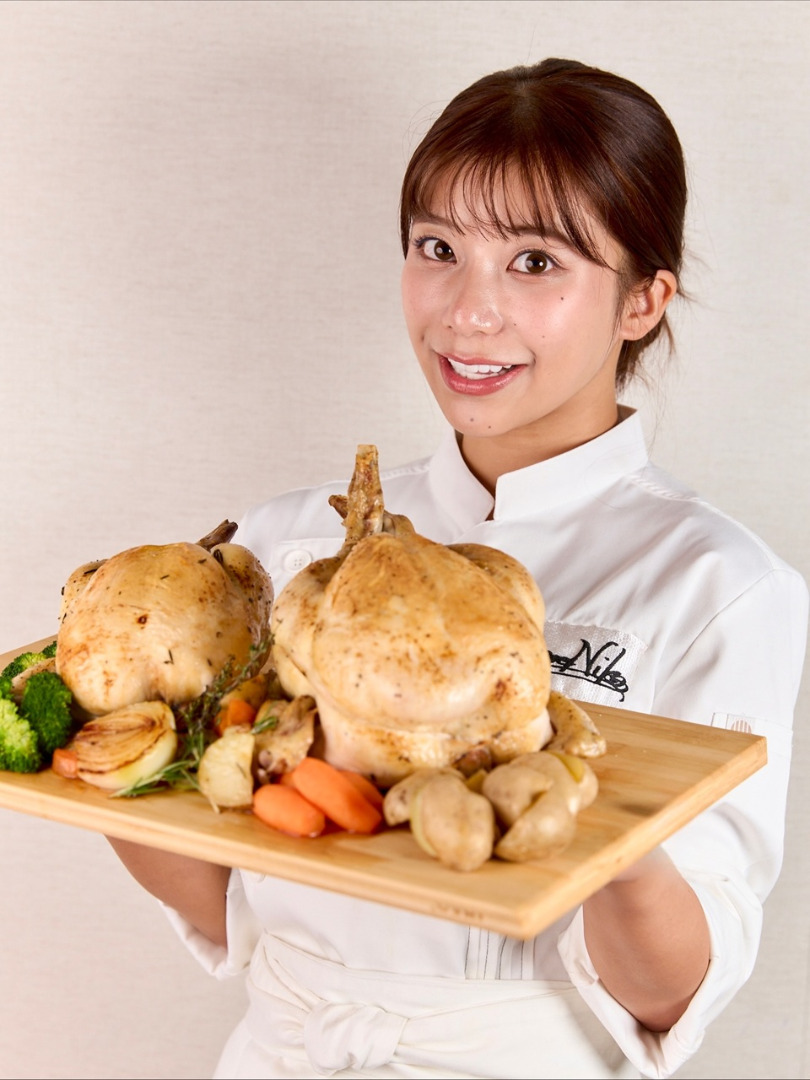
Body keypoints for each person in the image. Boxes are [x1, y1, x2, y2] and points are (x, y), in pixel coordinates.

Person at [109, 58, 808, 1078]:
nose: (468, 311)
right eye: (438, 248)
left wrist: (604, 824)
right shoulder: (286, 544)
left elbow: (673, 994)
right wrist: (113, 753)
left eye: (535, 262)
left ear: (643, 301)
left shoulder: (720, 586)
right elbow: (219, 898)